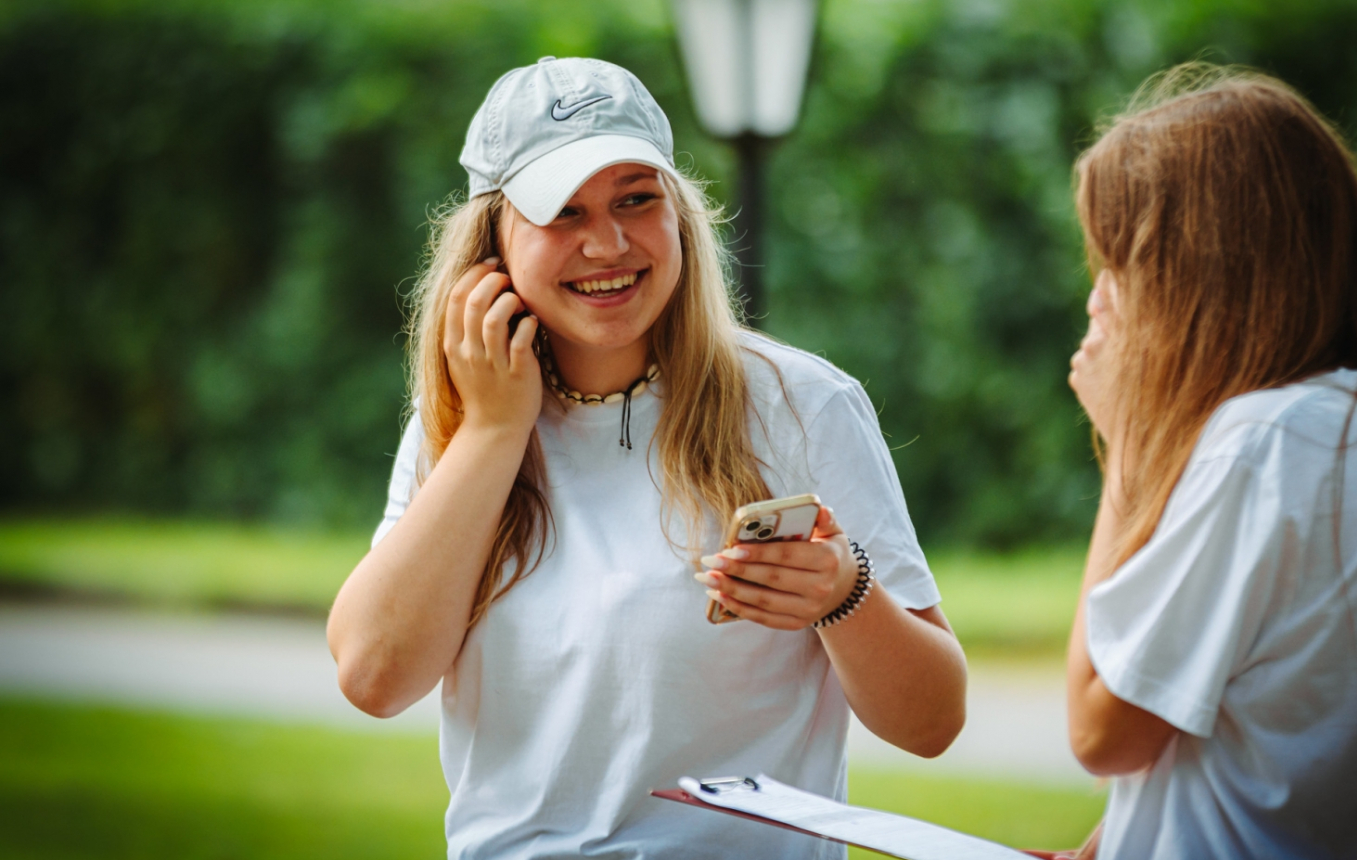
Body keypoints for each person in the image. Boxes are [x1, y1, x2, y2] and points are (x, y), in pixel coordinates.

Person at [324, 57, 967, 859]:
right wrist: (493, 433)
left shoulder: (804, 405)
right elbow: (374, 678)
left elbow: (933, 722)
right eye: (562, 212)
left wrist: (845, 591)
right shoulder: (462, 416)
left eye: (636, 198)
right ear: (492, 246)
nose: (608, 243)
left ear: (680, 216)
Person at [1062, 65, 1357, 859]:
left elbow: (1103, 728)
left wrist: (1126, 444)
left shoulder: (1264, 444)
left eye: (1118, 262)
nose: (1101, 297)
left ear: (1196, 268)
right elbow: (1297, 719)